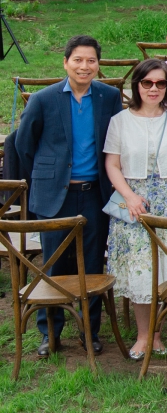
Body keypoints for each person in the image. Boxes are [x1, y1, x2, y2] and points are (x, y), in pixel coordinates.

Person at [12, 36, 124, 354]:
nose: (84, 66)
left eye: (91, 60)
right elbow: (24, 144)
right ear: (65, 63)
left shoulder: (109, 97)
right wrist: (49, 175)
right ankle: (51, 332)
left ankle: (89, 331)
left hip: (95, 193)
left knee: (91, 265)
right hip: (54, 195)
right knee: (54, 264)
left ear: (98, 64)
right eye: (78, 60)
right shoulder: (43, 99)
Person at [102, 59, 167, 360]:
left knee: (164, 269)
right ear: (137, 85)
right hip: (134, 205)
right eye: (147, 83)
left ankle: (157, 333)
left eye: (161, 83)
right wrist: (128, 196)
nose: (154, 88)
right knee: (143, 272)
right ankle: (144, 335)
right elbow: (112, 164)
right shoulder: (120, 121)